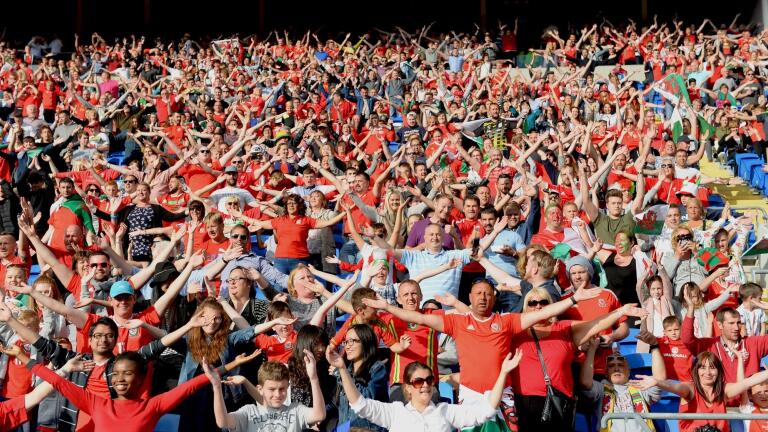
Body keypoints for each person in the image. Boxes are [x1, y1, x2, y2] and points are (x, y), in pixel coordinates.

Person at [328, 344, 519, 432]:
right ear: (408, 387)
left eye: (429, 380)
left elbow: (485, 411)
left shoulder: (446, 411)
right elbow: (359, 404)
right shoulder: (395, 412)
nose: (425, 385)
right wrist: (343, 369)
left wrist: (502, 373)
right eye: (419, 382)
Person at [203, 350, 326, 432]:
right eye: (272, 389)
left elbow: (319, 414)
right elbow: (222, 422)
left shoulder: (296, 410)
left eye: (282, 389)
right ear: (260, 389)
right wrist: (217, 386)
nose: (277, 394)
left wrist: (313, 378)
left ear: (288, 387)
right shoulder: (249, 412)